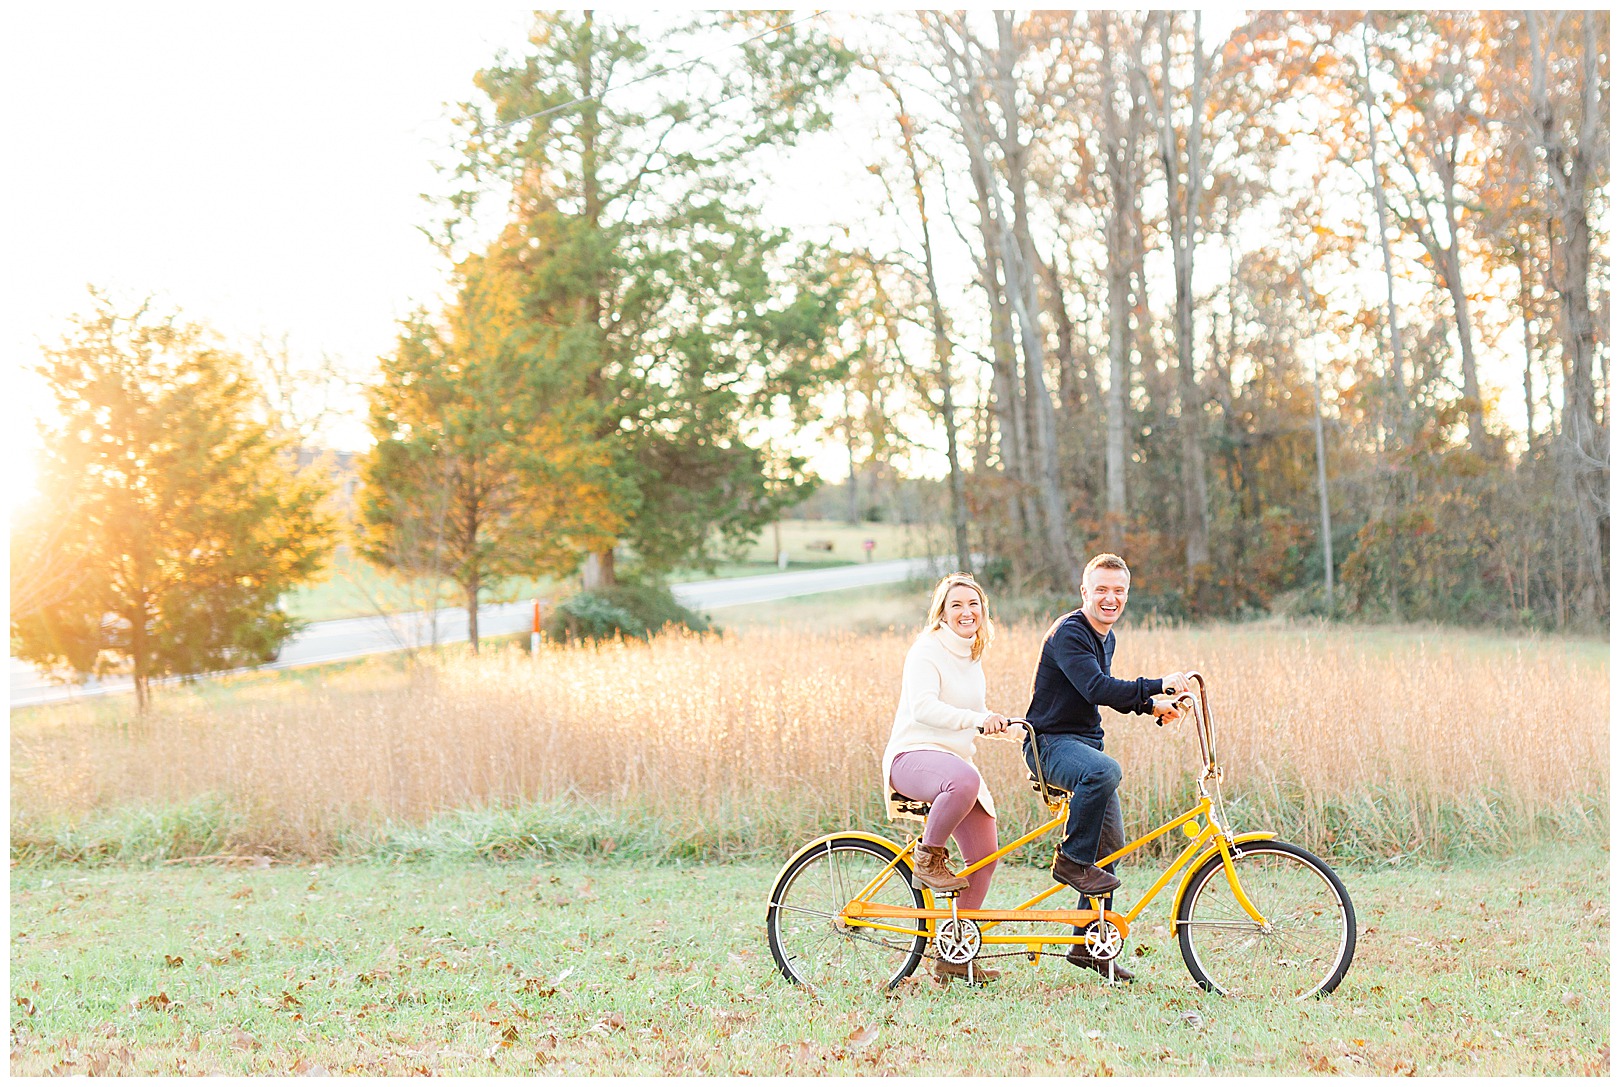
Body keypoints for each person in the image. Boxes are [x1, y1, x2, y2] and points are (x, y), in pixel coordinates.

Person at [1023, 553, 1186, 984]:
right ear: (1084, 592)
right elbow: (1096, 687)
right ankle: (1070, 860)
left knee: (1110, 846)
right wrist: (1155, 688)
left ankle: (1087, 944)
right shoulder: (1070, 633)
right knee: (1104, 771)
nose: (1110, 599)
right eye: (1101, 590)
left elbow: (1103, 693)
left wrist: (1152, 705)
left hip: (1081, 744)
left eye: (1118, 591)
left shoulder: (1105, 637)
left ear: (1126, 595)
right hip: (1049, 745)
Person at [881, 572, 1019, 985]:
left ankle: (954, 954)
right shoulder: (926, 650)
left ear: (983, 611)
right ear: (941, 612)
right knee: (963, 781)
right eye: (956, 605)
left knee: (985, 856)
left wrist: (1006, 726)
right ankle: (928, 856)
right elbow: (924, 708)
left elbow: (967, 713)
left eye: (973, 604)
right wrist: (979, 720)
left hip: (955, 765)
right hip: (913, 756)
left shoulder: (971, 655)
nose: (966, 612)